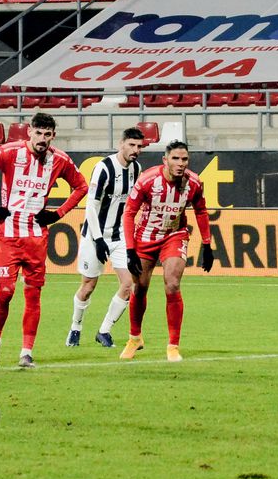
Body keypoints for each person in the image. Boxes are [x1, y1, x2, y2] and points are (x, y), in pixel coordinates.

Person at [0, 112, 88, 368]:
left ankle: (26, 353)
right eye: (38, 133)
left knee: (33, 295)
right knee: (5, 292)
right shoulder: (9, 152)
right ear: (29, 132)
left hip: (36, 237)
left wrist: (58, 214)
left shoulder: (60, 160)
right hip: (9, 236)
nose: (42, 139)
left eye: (47, 134)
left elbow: (82, 186)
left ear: (53, 135)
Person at [120, 141, 213, 362]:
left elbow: (201, 211)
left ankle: (173, 345)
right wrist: (130, 250)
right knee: (139, 287)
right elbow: (129, 213)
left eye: (184, 159)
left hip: (175, 235)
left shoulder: (194, 182)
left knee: (172, 283)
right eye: (175, 159)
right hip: (145, 236)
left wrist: (207, 244)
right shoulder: (147, 181)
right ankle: (135, 338)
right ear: (165, 160)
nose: (180, 164)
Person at [66, 127, 145, 349]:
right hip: (95, 235)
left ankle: (104, 330)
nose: (135, 150)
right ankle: (75, 327)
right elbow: (92, 205)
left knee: (129, 284)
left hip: (119, 235)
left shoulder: (136, 169)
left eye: (139, 146)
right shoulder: (104, 168)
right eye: (131, 145)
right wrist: (99, 239)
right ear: (121, 144)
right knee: (88, 285)